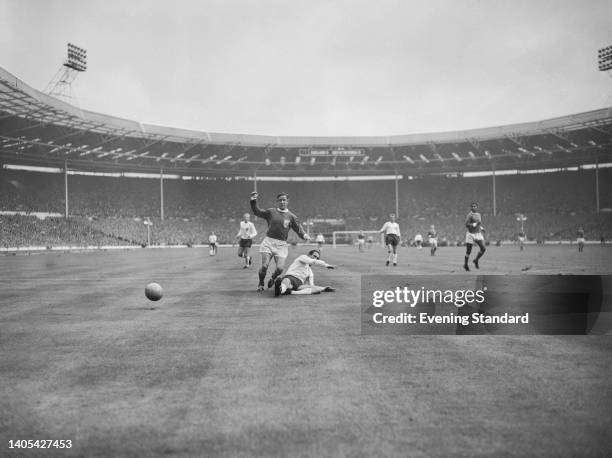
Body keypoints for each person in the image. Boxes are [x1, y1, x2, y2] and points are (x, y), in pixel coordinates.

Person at [250, 191, 310, 292]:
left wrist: (304, 235)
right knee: (264, 266)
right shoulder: (271, 212)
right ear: (277, 201)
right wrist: (253, 200)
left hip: (281, 245)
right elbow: (257, 212)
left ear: (287, 201)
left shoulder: (291, 216)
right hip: (268, 242)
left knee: (280, 269)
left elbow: (298, 228)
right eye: (280, 200)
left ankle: (273, 278)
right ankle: (261, 283)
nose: (282, 202)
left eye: (284, 200)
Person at [464, 202, 486, 271]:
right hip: (470, 234)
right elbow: (466, 225)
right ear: (470, 208)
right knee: (468, 251)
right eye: (472, 206)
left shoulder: (479, 214)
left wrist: (481, 228)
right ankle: (465, 264)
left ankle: (476, 260)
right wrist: (474, 224)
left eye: (475, 206)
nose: (473, 207)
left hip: (478, 233)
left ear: (477, 207)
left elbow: (479, 223)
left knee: (483, 248)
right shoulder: (469, 215)